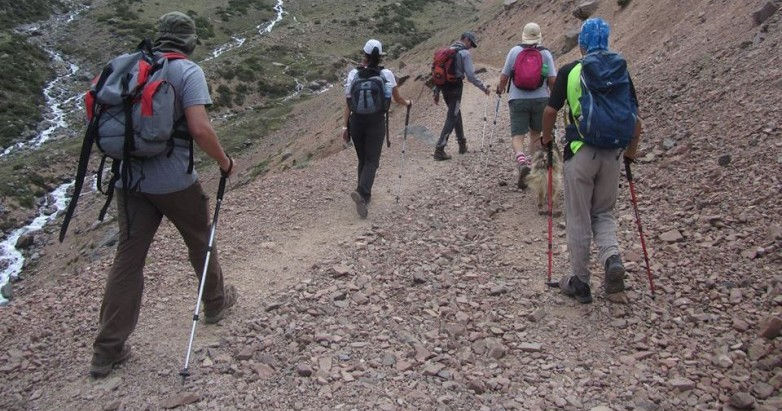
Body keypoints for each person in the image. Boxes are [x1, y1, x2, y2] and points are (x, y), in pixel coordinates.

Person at [90, 12, 238, 378]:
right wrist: (224, 161)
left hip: (129, 181)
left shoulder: (132, 67)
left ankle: (107, 351)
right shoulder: (188, 72)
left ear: (160, 39)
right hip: (174, 180)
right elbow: (200, 129)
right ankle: (216, 303)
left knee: (129, 258)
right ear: (189, 41)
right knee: (201, 239)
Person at [541, 18, 643, 304]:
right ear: (607, 39)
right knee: (604, 213)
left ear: (582, 43)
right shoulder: (620, 69)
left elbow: (550, 112)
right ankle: (612, 260)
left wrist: (545, 139)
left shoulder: (570, 71)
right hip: (612, 153)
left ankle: (581, 281)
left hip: (581, 152)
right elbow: (636, 122)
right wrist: (631, 154)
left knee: (578, 216)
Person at [342, 39, 411, 218]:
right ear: (380, 56)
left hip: (356, 121)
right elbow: (396, 98)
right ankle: (361, 191)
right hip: (376, 121)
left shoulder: (353, 75)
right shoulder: (386, 74)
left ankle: (364, 196)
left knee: (363, 159)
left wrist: (345, 126)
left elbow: (348, 103)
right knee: (373, 161)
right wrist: (407, 103)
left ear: (364, 54)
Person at [495, 22, 557, 189]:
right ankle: (535, 171)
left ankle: (522, 160)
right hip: (541, 99)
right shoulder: (545, 54)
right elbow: (552, 80)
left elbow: (504, 77)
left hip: (517, 99)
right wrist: (554, 99)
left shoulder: (515, 51)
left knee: (517, 135)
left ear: (523, 35)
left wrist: (499, 90)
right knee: (536, 134)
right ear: (539, 36)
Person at [432, 32, 491, 161]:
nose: (471, 47)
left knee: (455, 112)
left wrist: (436, 91)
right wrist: (484, 88)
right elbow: (470, 76)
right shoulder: (464, 53)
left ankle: (462, 144)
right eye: (471, 43)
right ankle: (439, 149)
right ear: (466, 40)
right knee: (452, 116)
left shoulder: (447, 51)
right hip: (455, 87)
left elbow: (436, 71)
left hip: (443, 87)